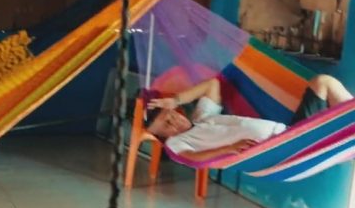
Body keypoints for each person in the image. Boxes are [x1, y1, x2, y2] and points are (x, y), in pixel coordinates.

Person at [145, 74, 354, 161]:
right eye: (166, 125)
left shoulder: (202, 118)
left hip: (289, 133)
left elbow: (213, 85)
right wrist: (227, 149)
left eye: (171, 116)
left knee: (322, 82)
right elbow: (191, 158)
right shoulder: (176, 143)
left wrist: (176, 100)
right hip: (281, 147)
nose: (174, 121)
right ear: (164, 138)